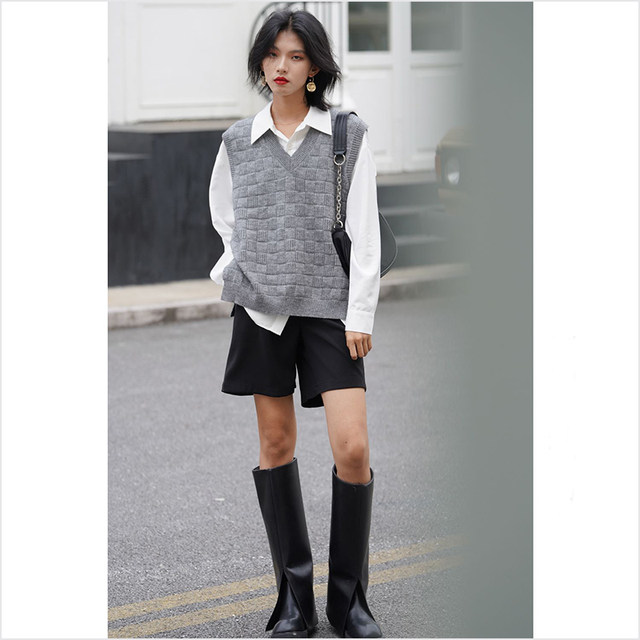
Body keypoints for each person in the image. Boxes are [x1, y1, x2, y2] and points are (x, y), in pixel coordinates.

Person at [208, 8, 382, 638]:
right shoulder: (237, 140)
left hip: (332, 310)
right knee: (276, 445)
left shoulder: (345, 134)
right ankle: (294, 599)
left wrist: (360, 312)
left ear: (314, 68)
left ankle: (349, 601)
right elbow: (226, 217)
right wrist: (238, 269)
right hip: (263, 311)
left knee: (352, 447)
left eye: (296, 56)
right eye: (273, 54)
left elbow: (364, 228)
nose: (281, 66)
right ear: (262, 62)